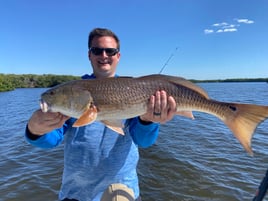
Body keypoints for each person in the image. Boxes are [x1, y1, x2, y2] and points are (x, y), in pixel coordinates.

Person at [25, 28, 177, 201]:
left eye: (110, 51)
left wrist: (149, 121)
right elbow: (51, 140)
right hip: (75, 193)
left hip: (122, 190)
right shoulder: (72, 93)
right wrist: (35, 130)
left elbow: (144, 141)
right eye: (97, 50)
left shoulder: (135, 89)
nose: (104, 55)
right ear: (89, 55)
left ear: (118, 56)